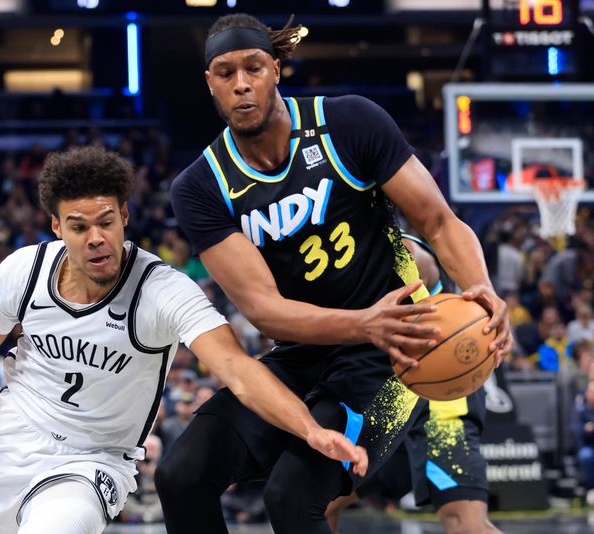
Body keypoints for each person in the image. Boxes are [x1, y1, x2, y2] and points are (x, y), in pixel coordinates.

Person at [155, 13, 511, 534]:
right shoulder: (201, 185)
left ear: (276, 70)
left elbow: (437, 219)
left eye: (253, 67)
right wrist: (361, 321)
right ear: (210, 82)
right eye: (225, 72)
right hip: (302, 356)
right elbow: (264, 309)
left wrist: (481, 286)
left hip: (396, 358)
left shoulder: (348, 123)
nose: (241, 84)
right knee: (181, 475)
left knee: (294, 497)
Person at [0, 146, 366, 534]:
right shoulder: (23, 271)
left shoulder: (161, 291)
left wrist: (310, 430)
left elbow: (238, 370)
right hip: (8, 437)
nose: (96, 239)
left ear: (125, 216)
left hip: (91, 460)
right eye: (78, 227)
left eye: (106, 222)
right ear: (56, 226)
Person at [326, 234, 499, 534]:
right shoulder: (317, 261)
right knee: (318, 503)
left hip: (439, 403)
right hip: (390, 401)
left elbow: (425, 262)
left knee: (465, 523)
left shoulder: (400, 250)